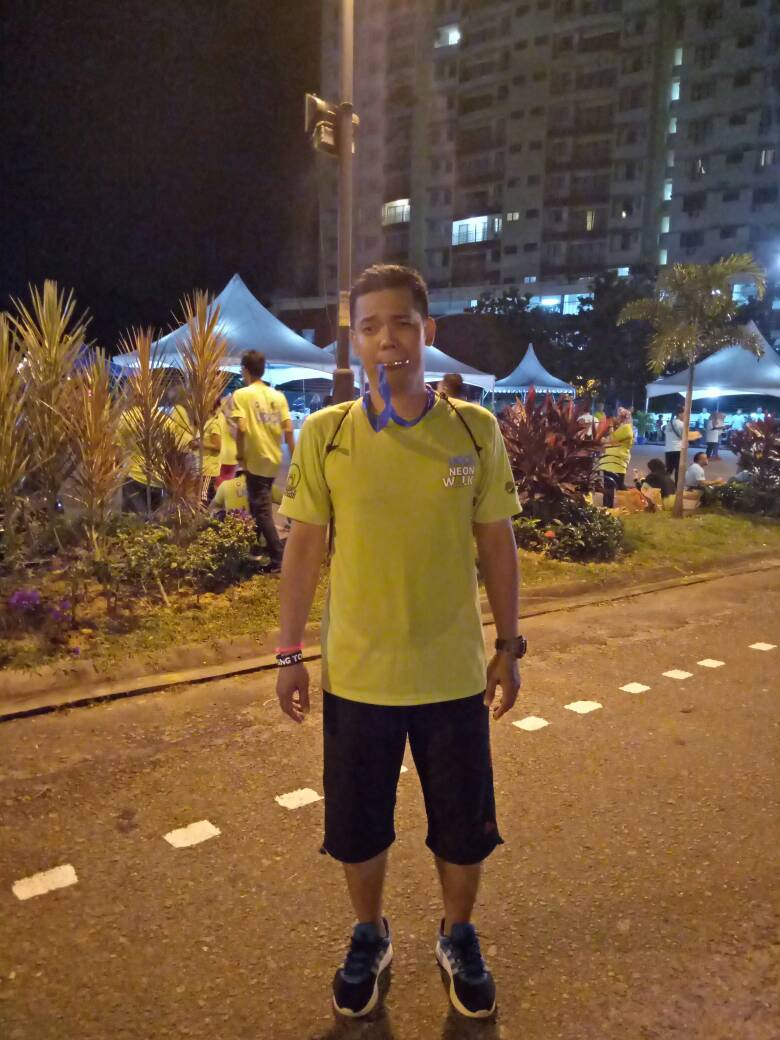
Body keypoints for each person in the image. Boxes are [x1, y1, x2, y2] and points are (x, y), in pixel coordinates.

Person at [275, 264, 523, 1021]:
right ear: (354, 340)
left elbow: (497, 543)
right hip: (357, 677)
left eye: (402, 323)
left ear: (428, 332)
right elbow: (305, 549)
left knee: (464, 829)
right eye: (370, 326)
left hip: (452, 675)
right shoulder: (327, 434)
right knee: (356, 830)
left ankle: (458, 934)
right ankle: (369, 934)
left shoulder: (474, 431)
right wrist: (289, 653)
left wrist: (509, 646)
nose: (388, 339)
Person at [232, 351, 295, 572]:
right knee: (257, 504)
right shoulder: (278, 396)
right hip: (273, 459)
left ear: (245, 370)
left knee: (262, 510)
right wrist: (295, 458)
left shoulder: (241, 395)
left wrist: (240, 454)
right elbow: (288, 429)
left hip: (255, 459)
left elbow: (241, 428)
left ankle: (278, 557)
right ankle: (255, 548)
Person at [599, 407, 634, 508]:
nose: (616, 418)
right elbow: (612, 439)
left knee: (615, 485)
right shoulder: (624, 428)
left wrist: (610, 428)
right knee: (613, 485)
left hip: (614, 460)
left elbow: (611, 438)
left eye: (619, 416)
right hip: (613, 461)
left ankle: (625, 505)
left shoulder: (626, 428)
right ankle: (609, 507)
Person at [215, 393, 239, 488]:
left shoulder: (218, 415)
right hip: (234, 455)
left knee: (217, 483)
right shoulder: (238, 419)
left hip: (219, 454)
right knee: (228, 482)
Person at [664, 407, 685, 481]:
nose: (685, 415)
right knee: (678, 469)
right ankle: (677, 485)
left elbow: (666, 434)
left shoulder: (669, 423)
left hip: (668, 449)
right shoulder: (682, 424)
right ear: (680, 414)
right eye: (684, 413)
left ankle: (664, 484)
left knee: (669, 470)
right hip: (677, 449)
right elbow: (684, 436)